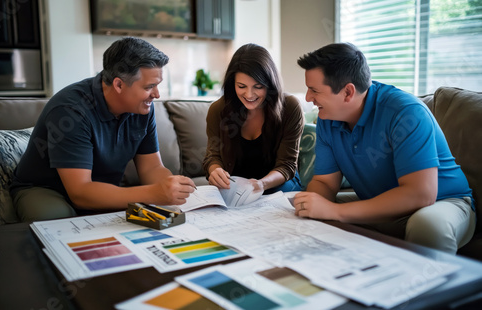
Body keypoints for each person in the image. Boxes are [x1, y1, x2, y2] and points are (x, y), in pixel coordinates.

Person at [293, 42, 476, 253]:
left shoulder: (405, 112)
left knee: (427, 225)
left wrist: (335, 212)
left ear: (348, 92)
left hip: (443, 202)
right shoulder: (328, 118)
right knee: (302, 203)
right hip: (379, 199)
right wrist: (313, 205)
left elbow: (420, 194)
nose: (308, 98)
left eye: (314, 90)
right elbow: (324, 182)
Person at [10, 37, 196, 222]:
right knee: (56, 221)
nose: (157, 94)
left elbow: (152, 167)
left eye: (157, 85)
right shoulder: (71, 111)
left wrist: (172, 188)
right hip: (46, 189)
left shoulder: (142, 108)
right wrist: (152, 194)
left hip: (101, 189)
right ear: (118, 85)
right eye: (150, 87)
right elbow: (80, 192)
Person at [203, 43, 304, 195]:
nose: (249, 95)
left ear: (270, 84)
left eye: (258, 86)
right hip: (238, 187)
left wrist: (262, 184)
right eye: (242, 86)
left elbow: (287, 165)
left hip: (279, 183)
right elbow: (212, 156)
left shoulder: (290, 107)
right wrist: (215, 170)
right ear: (232, 84)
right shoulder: (218, 110)